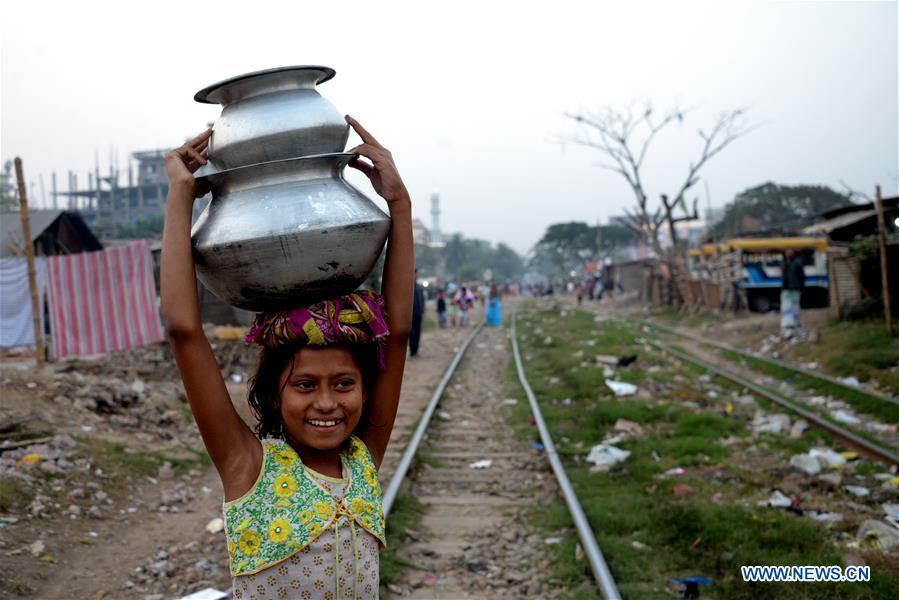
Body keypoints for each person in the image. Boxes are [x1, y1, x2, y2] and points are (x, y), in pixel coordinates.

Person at [160, 116, 413, 600]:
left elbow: (397, 333)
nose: (327, 404)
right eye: (304, 385)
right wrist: (180, 197)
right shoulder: (247, 465)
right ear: (274, 393)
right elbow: (184, 332)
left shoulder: (363, 457)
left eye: (344, 384)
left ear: (365, 386)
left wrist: (398, 202)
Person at [781, 249, 805, 336]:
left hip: (795, 288)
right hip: (785, 289)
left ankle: (796, 323)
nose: (788, 254)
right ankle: (787, 325)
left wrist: (800, 286)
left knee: (795, 307)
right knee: (785, 307)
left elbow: (802, 276)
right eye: (787, 253)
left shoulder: (797, 263)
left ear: (793, 254)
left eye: (790, 253)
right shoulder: (783, 263)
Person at [409, 269, 425, 357]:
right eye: (414, 274)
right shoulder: (408, 288)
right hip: (411, 316)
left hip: (419, 314)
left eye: (416, 274)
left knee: (418, 333)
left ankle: (416, 351)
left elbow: (422, 301)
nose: (416, 276)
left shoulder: (419, 288)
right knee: (412, 333)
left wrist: (423, 311)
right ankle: (412, 352)